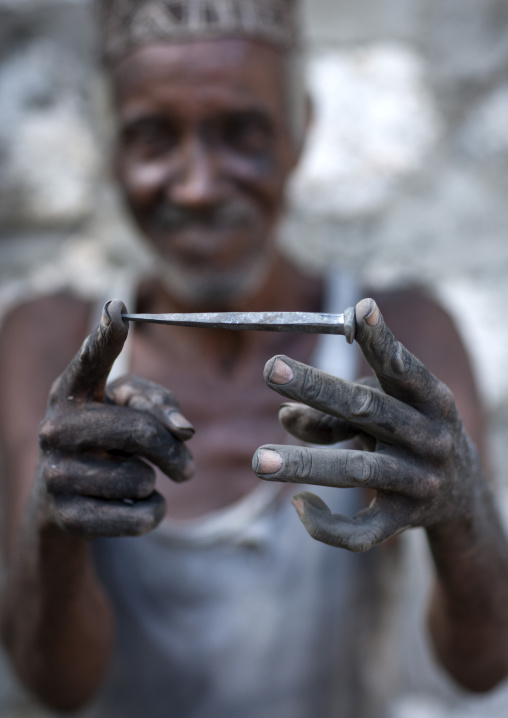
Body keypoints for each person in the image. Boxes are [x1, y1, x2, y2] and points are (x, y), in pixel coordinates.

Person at [1, 1, 508, 716]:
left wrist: (464, 515)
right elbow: (54, 684)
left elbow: (480, 666)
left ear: (302, 128)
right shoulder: (46, 342)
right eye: (153, 137)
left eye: (242, 133)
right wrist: (50, 531)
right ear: (111, 146)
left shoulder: (408, 334)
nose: (199, 186)